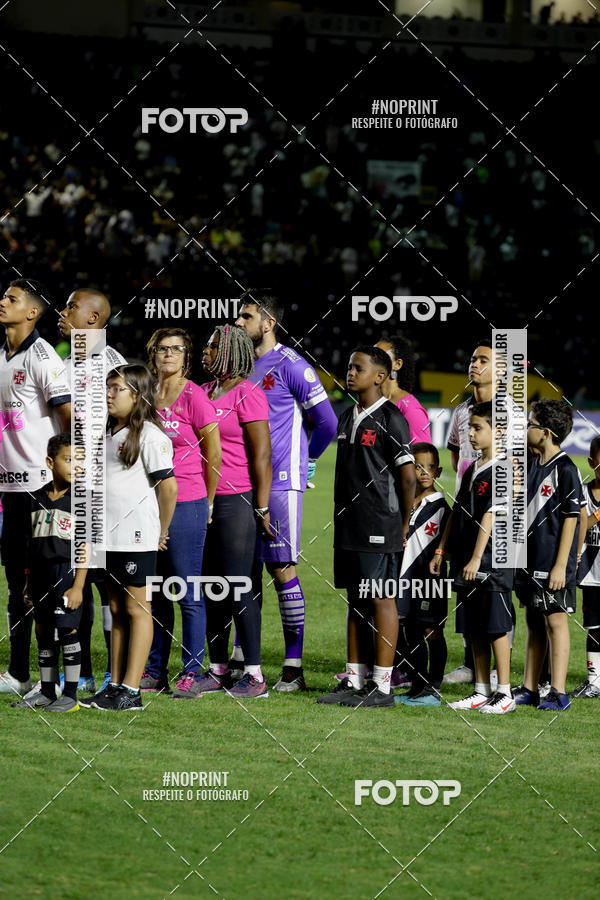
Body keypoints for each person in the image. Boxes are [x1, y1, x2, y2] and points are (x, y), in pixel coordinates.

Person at [235, 291, 337, 691]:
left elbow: (326, 422)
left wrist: (305, 462)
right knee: (243, 574)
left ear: (268, 322)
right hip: (243, 482)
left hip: (279, 483)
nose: (239, 323)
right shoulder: (240, 367)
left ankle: (293, 667)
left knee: (281, 569)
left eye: (246, 316)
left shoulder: (292, 365)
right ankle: (247, 662)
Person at [317, 345, 415, 708]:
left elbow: (407, 478)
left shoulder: (392, 418)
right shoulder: (347, 416)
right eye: (349, 367)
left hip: (380, 524)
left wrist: (403, 523)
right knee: (355, 600)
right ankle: (355, 680)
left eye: (358, 368)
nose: (350, 373)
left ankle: (383, 686)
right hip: (348, 525)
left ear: (380, 376)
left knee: (381, 598)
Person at [80, 366, 177, 711]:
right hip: (108, 538)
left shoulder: (150, 435)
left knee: (138, 609)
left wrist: (161, 530)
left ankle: (132, 691)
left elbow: (169, 487)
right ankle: (115, 685)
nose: (109, 394)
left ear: (137, 395)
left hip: (136, 538)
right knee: (117, 609)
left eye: (117, 389)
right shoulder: (107, 432)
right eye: (108, 388)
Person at [0, 278, 71, 697]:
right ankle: (19, 672)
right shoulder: (2, 356)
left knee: (48, 585)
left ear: (32, 312)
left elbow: (69, 421)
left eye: (11, 298)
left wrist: (61, 480)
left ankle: (56, 677)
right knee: (14, 584)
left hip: (40, 489)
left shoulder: (43, 358)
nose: (2, 302)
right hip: (9, 488)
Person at [141, 328, 221, 698]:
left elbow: (214, 454)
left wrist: (207, 501)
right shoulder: (145, 392)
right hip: (146, 502)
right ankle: (154, 670)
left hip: (186, 501)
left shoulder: (195, 396)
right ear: (153, 353)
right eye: (162, 349)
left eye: (176, 349)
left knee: (187, 590)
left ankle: (192, 671)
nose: (168, 354)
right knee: (155, 591)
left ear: (187, 356)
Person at [197, 325, 273, 699]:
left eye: (212, 347)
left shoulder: (249, 393)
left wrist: (262, 507)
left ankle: (255, 676)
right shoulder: (207, 391)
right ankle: (217, 669)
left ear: (228, 351)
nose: (205, 352)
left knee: (239, 586)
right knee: (213, 587)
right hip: (203, 499)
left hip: (237, 499)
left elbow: (261, 455)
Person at [58, 287, 126, 694]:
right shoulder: (64, 362)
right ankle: (79, 670)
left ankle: (109, 672)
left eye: (71, 307)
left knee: (104, 583)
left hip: (102, 490)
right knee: (71, 578)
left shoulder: (112, 367)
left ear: (93, 320)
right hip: (68, 486)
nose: (62, 313)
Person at [432, 402, 516, 714]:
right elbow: (458, 509)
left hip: (491, 562)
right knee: (475, 627)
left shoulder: (503, 469)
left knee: (495, 626)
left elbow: (492, 515)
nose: (470, 434)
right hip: (465, 558)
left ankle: (504, 694)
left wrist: (478, 557)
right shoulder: (473, 468)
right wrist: (443, 549)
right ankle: (481, 690)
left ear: (500, 431)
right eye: (470, 427)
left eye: (478, 428)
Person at [443, 337, 517, 686]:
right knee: (468, 592)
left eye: (483, 359)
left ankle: (511, 674)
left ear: (501, 370)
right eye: (472, 358)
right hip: (467, 512)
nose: (474, 364)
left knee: (500, 595)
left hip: (502, 518)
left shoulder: (514, 415)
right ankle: (473, 666)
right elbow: (458, 462)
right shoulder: (461, 412)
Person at [512, 400, 583, 711]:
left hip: (552, 563)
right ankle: (529, 686)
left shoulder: (567, 470)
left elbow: (571, 519)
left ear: (545, 432)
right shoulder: (532, 462)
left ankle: (558, 690)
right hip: (529, 559)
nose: (526, 428)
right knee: (533, 620)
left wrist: (560, 566)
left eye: (530, 423)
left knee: (556, 621)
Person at [12, 435, 87, 712]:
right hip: (41, 575)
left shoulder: (82, 499)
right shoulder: (37, 498)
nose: (75, 466)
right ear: (49, 462)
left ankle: (70, 695)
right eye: (69, 460)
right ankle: (45, 690)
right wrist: (29, 582)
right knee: (43, 631)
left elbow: (86, 547)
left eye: (80, 461)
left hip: (66, 573)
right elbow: (31, 546)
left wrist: (78, 586)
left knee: (68, 629)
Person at [396, 443, 450, 707]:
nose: (424, 472)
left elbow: (446, 547)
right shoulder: (405, 503)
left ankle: (434, 687)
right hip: (406, 580)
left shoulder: (441, 507)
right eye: (418, 466)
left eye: (430, 467)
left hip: (430, 583)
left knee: (432, 630)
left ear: (438, 471)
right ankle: (418, 683)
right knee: (410, 629)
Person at [572, 435, 600, 699]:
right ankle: (594, 681)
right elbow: (578, 527)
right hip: (592, 575)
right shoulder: (583, 492)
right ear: (592, 462)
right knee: (594, 627)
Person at [375, 336, 431, 444]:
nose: (372, 362)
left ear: (397, 364)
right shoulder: (368, 401)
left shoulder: (410, 409)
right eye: (371, 356)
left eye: (380, 357)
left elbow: (424, 458)